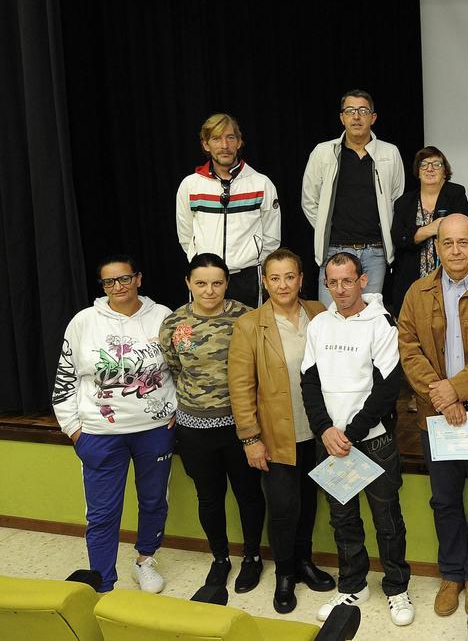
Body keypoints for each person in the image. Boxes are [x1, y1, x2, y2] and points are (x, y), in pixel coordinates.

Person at [397, 214, 468, 617]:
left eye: (464, 242)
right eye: (448, 243)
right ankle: (451, 574)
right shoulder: (416, 292)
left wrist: (457, 389)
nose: (457, 250)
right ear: (437, 247)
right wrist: (443, 397)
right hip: (436, 416)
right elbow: (408, 349)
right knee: (444, 500)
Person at [51, 255, 177, 593]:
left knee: (153, 500)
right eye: (109, 282)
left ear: (139, 278)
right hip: (100, 434)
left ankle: (145, 560)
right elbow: (65, 378)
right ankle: (103, 580)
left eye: (124, 279)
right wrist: (74, 430)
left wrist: (177, 408)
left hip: (154, 430)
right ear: (103, 286)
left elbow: (181, 368)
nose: (118, 287)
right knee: (103, 513)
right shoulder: (84, 321)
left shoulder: (163, 316)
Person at [301, 252, 413, 626]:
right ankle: (352, 584)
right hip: (331, 442)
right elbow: (310, 382)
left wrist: (350, 433)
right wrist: (324, 430)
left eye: (347, 280)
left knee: (387, 519)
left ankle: (397, 588)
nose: (340, 289)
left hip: (373, 441)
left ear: (363, 280)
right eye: (333, 282)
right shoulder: (319, 325)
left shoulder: (380, 323)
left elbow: (387, 389)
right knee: (343, 519)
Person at [229, 248, 336, 614]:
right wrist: (250, 438)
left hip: (318, 433)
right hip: (275, 437)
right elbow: (240, 388)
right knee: (283, 508)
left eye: (289, 276)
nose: (282, 284)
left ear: (302, 278)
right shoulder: (249, 325)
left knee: (309, 503)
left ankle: (305, 562)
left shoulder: (319, 313)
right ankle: (285, 574)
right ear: (264, 281)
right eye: (274, 278)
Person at [159, 253, 264, 594]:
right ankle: (220, 559)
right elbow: (174, 368)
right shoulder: (174, 324)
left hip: (241, 427)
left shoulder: (245, 317)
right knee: (209, 497)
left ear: (227, 283)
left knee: (248, 495)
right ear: (189, 283)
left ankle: (252, 557)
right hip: (195, 428)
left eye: (217, 283)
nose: (209, 290)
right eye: (201, 283)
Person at [302, 89, 406, 306]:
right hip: (334, 250)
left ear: (373, 117)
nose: (356, 116)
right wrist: (326, 226)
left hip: (375, 252)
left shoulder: (390, 153)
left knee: (367, 318)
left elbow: (397, 200)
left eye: (363, 111)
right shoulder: (324, 152)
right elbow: (310, 200)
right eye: (350, 111)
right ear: (342, 118)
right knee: (331, 316)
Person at [175, 113, 281, 306]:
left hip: (248, 278)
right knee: (206, 334)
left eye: (230, 137)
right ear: (206, 145)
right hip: (206, 277)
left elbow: (272, 238)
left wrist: (252, 262)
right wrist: (201, 262)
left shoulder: (261, 183)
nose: (224, 145)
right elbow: (185, 234)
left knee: (250, 335)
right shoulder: (190, 185)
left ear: (239, 142)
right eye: (216, 138)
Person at [390, 146, 468, 307]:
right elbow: (399, 238)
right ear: (418, 171)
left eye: (436, 164)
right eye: (424, 164)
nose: (430, 169)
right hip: (412, 278)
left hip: (451, 275)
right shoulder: (404, 202)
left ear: (445, 171)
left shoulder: (456, 194)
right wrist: (429, 229)